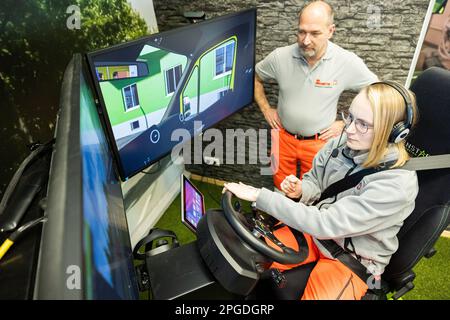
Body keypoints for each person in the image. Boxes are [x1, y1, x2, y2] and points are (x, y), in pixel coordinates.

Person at [224, 81, 419, 300]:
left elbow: (327, 223)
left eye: (363, 124)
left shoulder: (397, 184)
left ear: (394, 133)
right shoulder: (341, 144)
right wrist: (302, 190)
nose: (350, 129)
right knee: (246, 260)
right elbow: (315, 181)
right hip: (313, 235)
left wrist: (260, 196)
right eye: (350, 117)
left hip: (351, 261)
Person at [255, 0, 378, 191]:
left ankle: (303, 221)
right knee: (280, 188)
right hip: (283, 137)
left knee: (313, 190)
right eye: (302, 32)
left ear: (330, 31)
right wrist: (265, 109)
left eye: (315, 33)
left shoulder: (346, 62)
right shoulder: (280, 57)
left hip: (319, 143)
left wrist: (346, 123)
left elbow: (378, 91)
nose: (305, 40)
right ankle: (279, 220)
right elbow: (255, 77)